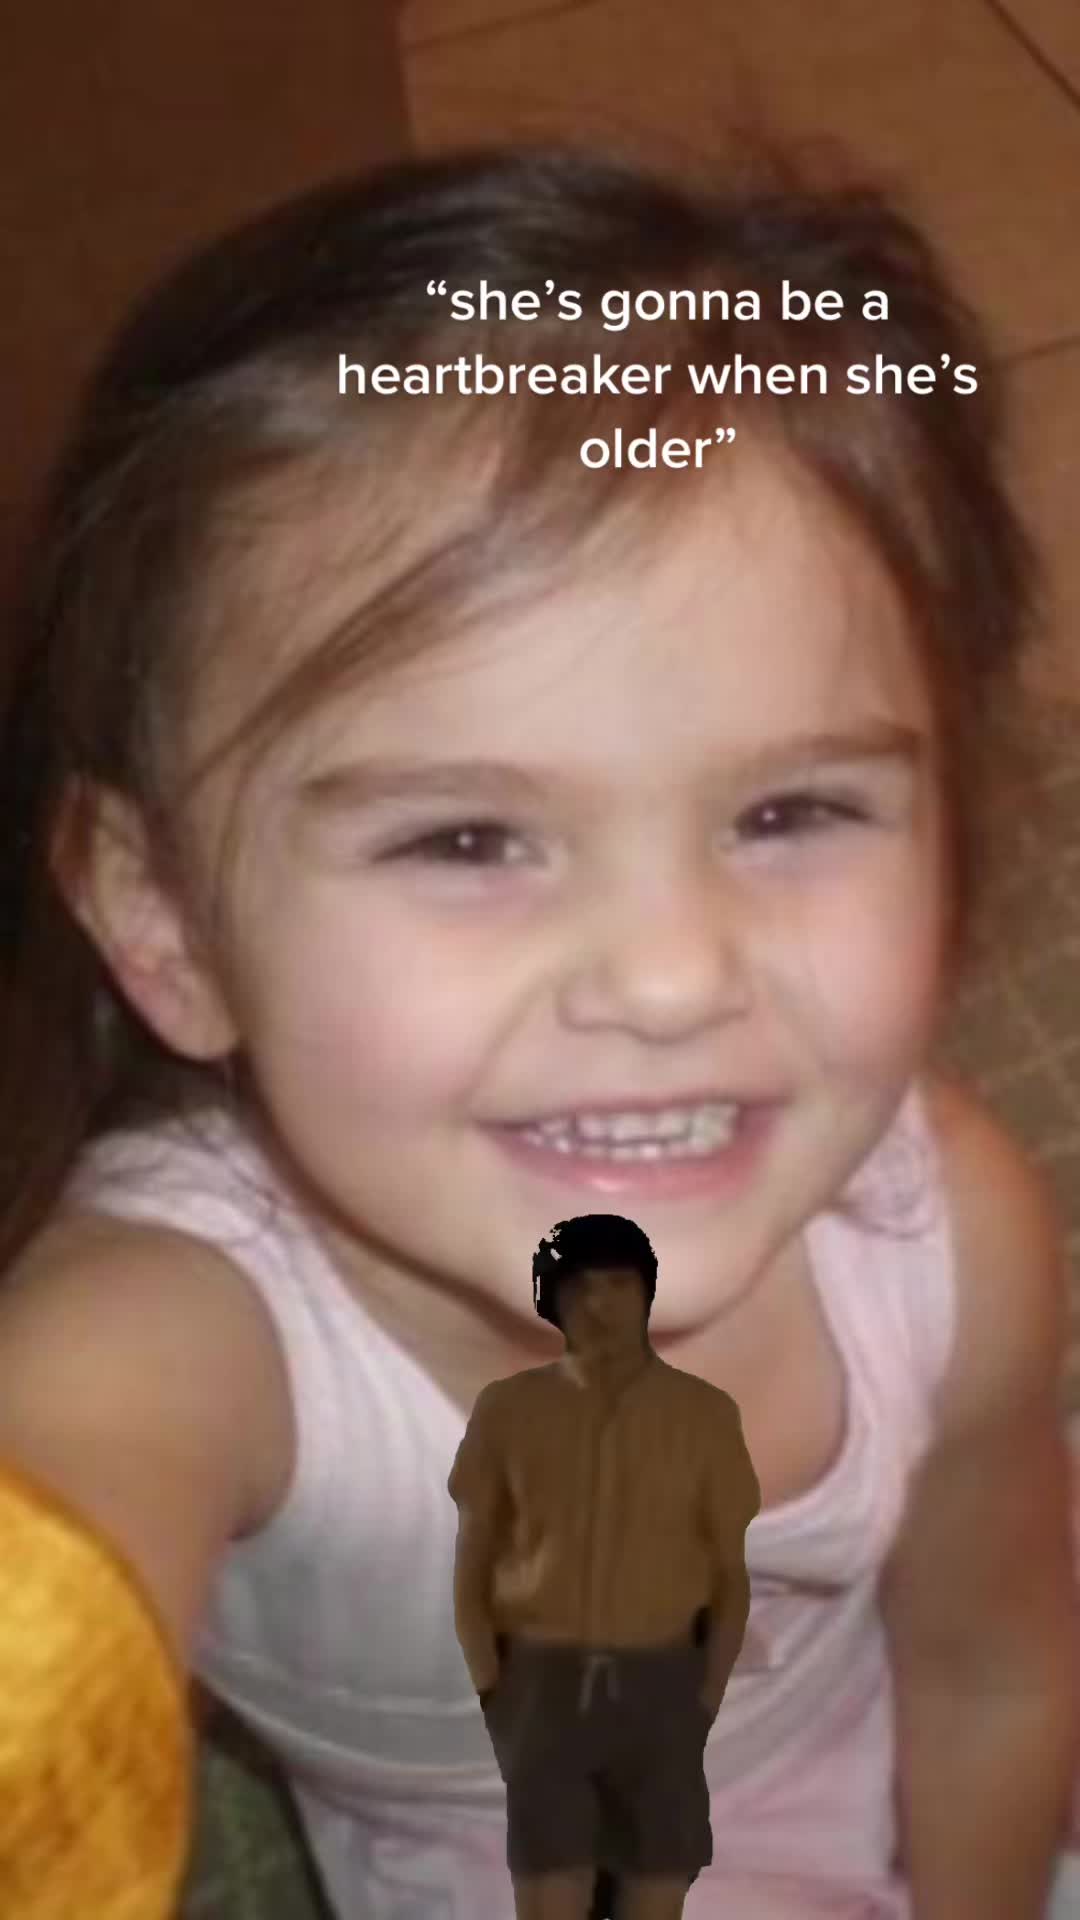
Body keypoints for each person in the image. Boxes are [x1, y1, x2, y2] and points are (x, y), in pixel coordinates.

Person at [0, 139, 1076, 1919]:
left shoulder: (944, 1231)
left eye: (792, 812)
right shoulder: (185, 1329)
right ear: (162, 919)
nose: (670, 977)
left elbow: (994, 1667)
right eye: (467, 840)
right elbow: (64, 1494)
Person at [449, 1212, 760, 1920]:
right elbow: (475, 1557)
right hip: (542, 1680)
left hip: (662, 1678)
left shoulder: (705, 1414)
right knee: (550, 1884)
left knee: (658, 1877)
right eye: (579, 1288)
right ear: (553, 1300)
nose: (598, 1304)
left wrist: (704, 1695)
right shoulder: (507, 1411)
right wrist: (493, 1685)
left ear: (646, 1292)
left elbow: (729, 1571)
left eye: (617, 1284)